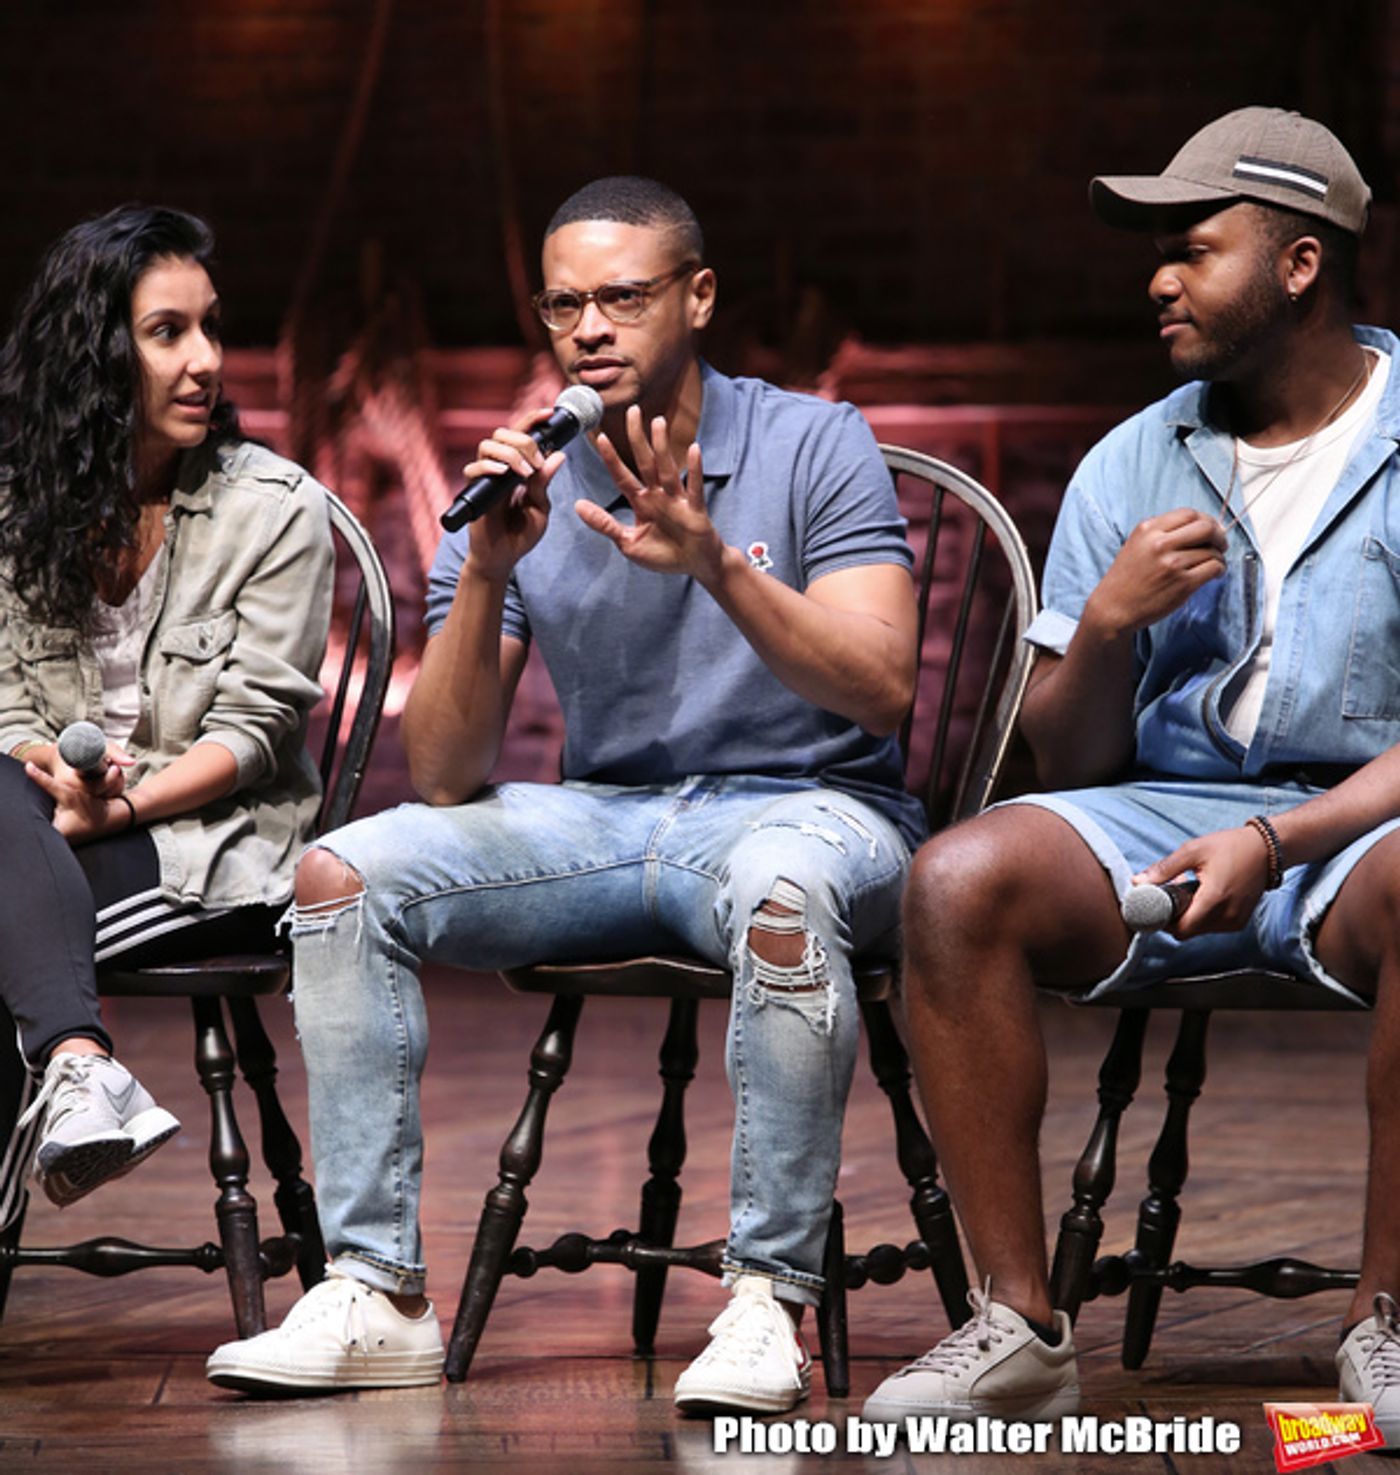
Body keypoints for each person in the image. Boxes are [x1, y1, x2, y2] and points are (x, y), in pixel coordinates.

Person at [205, 175, 924, 1406]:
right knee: (341, 874)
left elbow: (881, 689)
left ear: (697, 297)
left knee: (784, 888)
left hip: (806, 806)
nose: (588, 328)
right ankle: (376, 1291)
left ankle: (766, 1298)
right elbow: (445, 771)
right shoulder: (523, 475)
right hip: (610, 817)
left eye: (622, 298)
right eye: (562, 305)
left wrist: (715, 564)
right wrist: (488, 567)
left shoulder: (813, 442)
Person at [861, 106, 1400, 1438]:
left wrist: (1275, 842)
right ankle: (1017, 1321)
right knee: (956, 877)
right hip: (1164, 810)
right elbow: (1077, 759)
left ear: (1300, 263)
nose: (1158, 279)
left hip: (1367, 821)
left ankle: (1386, 1319)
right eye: (1158, 254)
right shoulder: (1137, 455)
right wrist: (1104, 622)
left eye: (1193, 249)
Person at [0, 206, 333, 1225]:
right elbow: (7, 702)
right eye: (166, 332)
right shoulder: (21, 506)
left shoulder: (273, 507)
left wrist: (118, 808)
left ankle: (74, 1062)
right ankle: (78, 1064)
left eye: (210, 327)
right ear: (93, 351)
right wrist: (50, 771)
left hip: (207, 843)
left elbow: (255, 731)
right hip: (42, 823)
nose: (206, 361)